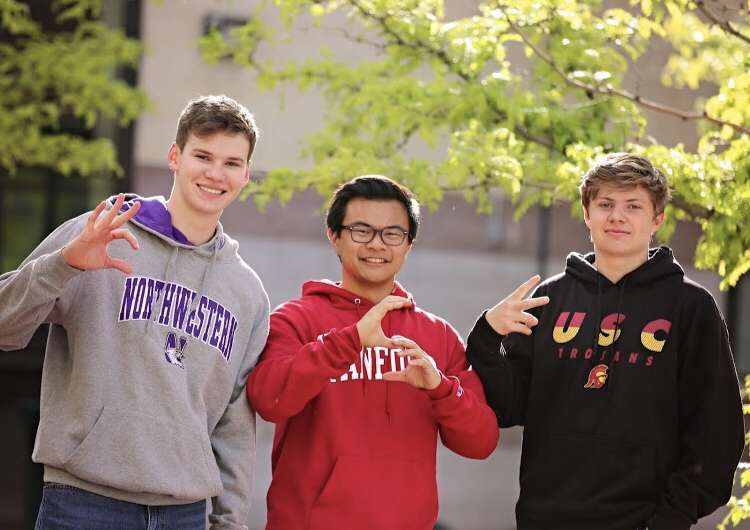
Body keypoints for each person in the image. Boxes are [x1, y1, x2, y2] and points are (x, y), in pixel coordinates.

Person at [0, 95, 270, 530]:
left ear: (246, 175)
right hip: (83, 501)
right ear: (174, 156)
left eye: (232, 163)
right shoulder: (101, 232)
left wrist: (230, 522)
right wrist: (64, 264)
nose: (216, 174)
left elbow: (234, 423)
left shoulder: (246, 292)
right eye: (203, 155)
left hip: (185, 512)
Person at [466, 153, 745, 530]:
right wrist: (486, 336)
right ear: (587, 213)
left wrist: (671, 519)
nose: (617, 216)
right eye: (605, 204)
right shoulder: (548, 300)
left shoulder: (691, 307)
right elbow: (508, 406)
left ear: (657, 219)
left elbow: (716, 432)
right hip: (545, 518)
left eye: (633, 206)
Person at [246, 175, 499, 530]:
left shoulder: (437, 336)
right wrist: (348, 341)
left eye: (392, 234)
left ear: (408, 244)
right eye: (361, 231)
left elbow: (482, 441)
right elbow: (269, 399)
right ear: (334, 236)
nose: (377, 245)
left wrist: (439, 388)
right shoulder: (295, 320)